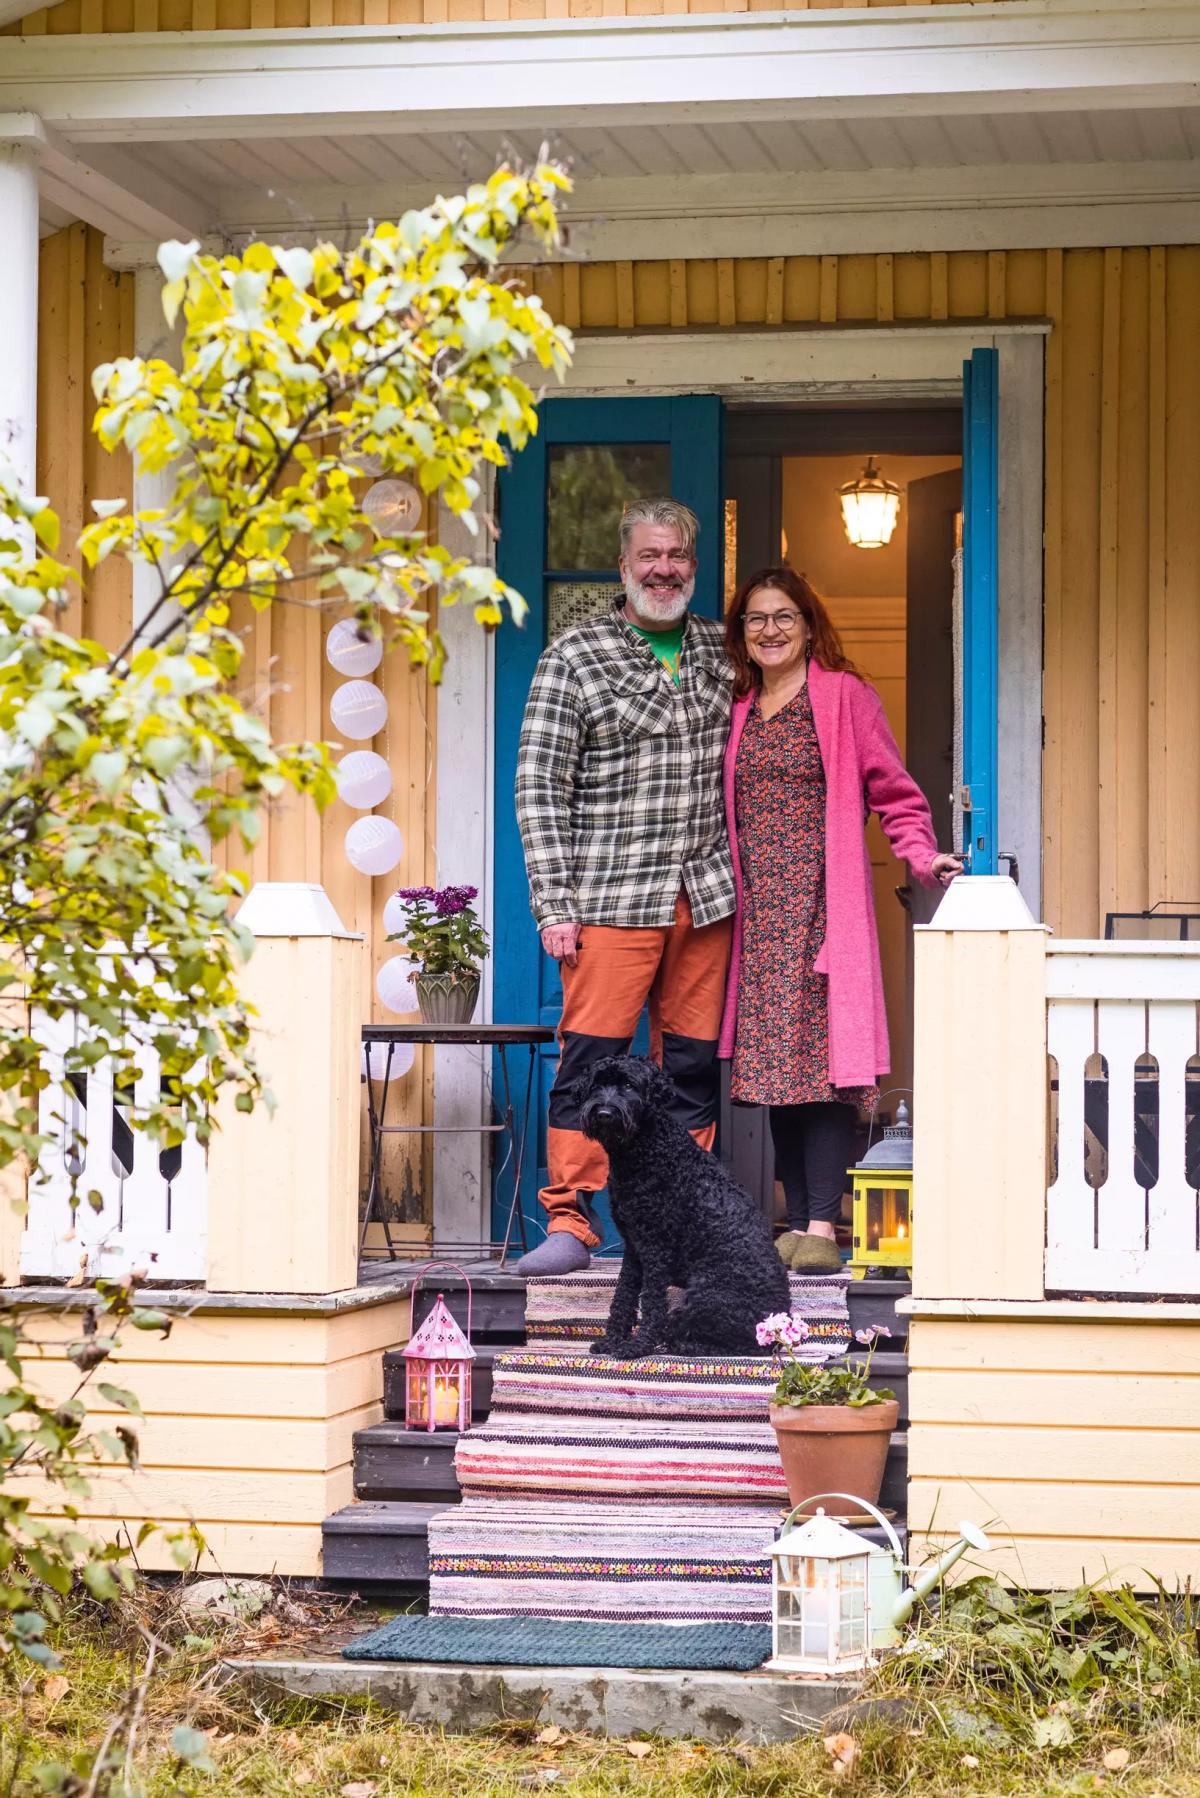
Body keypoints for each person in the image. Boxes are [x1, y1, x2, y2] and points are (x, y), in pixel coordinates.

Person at [513, 497, 735, 1274]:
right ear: (624, 565)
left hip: (704, 897)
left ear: (694, 567)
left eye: (676, 556)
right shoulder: (574, 655)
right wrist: (553, 904)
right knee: (591, 1063)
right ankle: (571, 1222)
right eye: (650, 556)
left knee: (692, 1066)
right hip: (609, 899)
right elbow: (539, 786)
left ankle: (685, 1221)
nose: (664, 569)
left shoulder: (721, 649)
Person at [718, 566, 961, 1273]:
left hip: (825, 908)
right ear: (741, 633)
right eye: (756, 618)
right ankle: (795, 1219)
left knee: (824, 1070)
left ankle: (822, 1226)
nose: (769, 629)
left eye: (784, 616)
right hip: (755, 915)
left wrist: (921, 858)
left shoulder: (844, 697)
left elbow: (897, 794)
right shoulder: (736, 706)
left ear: (809, 624)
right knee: (772, 1073)